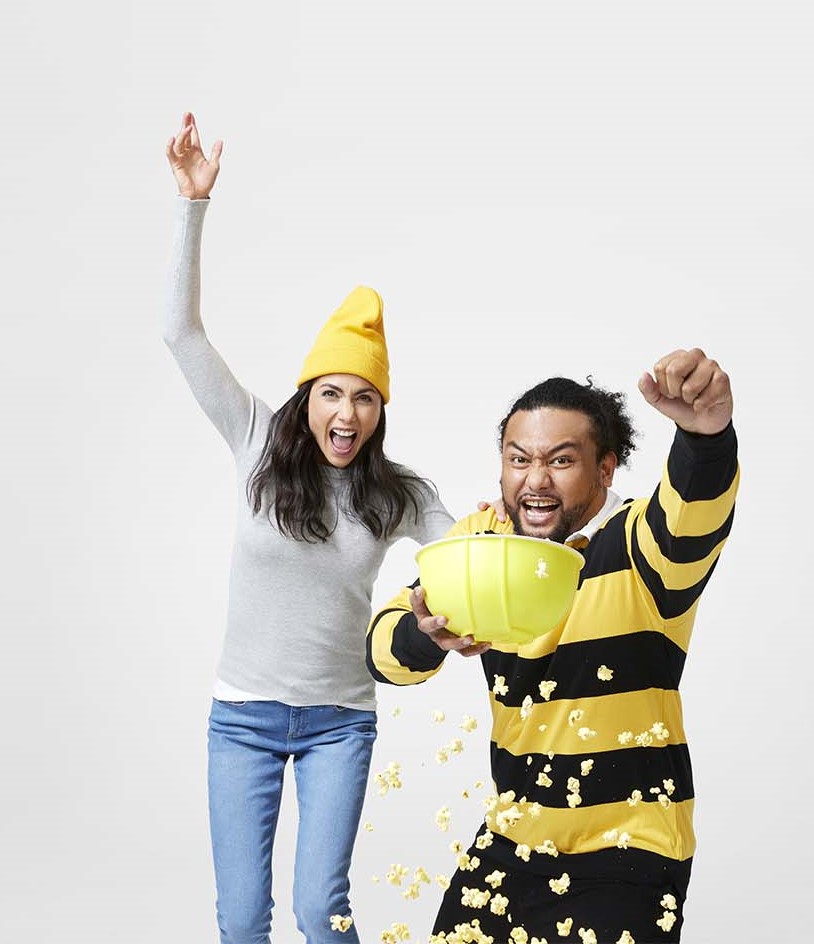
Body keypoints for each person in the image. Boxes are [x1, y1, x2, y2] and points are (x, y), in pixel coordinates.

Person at [163, 112, 455, 944]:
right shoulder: (254, 438)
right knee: (243, 920)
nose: (348, 411)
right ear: (306, 399)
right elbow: (179, 334)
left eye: (365, 397)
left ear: (378, 412)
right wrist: (193, 206)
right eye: (333, 392)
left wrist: (478, 596)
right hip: (242, 718)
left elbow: (463, 551)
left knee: (321, 915)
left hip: (339, 720)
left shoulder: (396, 491)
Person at [367, 351, 739, 943]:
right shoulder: (483, 543)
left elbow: (695, 509)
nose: (535, 480)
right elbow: (382, 650)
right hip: (513, 837)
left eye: (561, 461)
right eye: (519, 460)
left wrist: (705, 435)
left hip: (627, 850)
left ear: (607, 469)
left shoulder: (643, 548)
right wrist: (423, 633)